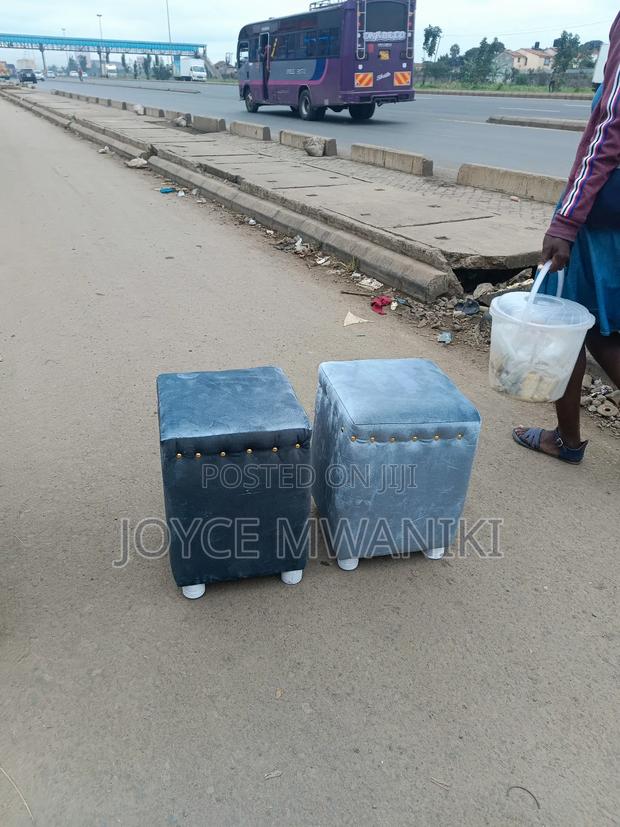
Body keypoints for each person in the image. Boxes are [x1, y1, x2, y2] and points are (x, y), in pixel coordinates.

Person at [513, 12, 620, 464]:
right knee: (602, 325)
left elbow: (608, 134)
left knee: (573, 325)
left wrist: (565, 220)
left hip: (604, 207)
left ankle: (568, 440)